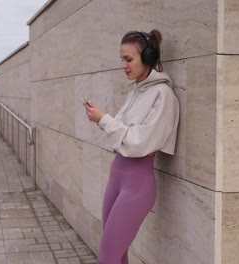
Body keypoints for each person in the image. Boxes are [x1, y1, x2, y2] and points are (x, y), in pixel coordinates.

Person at [82, 30, 179, 264]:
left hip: (137, 185)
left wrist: (105, 119)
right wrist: (102, 120)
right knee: (117, 254)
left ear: (147, 57)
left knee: (107, 257)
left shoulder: (163, 96)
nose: (123, 65)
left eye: (129, 59)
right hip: (117, 176)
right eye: (121, 59)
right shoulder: (135, 92)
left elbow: (140, 143)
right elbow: (122, 135)